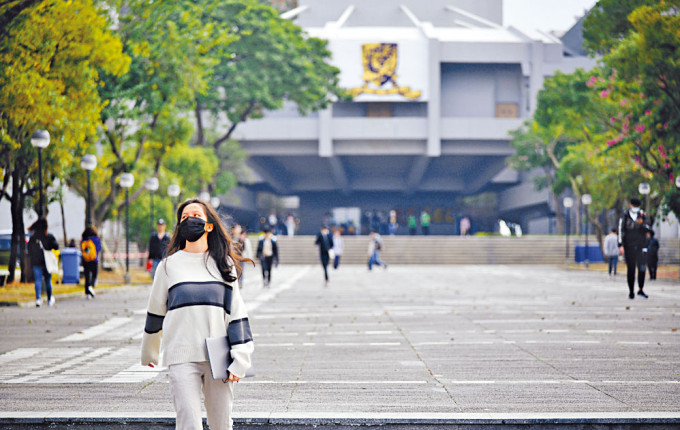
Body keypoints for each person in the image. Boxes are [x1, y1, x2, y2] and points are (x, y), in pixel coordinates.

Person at [141, 199, 254, 430]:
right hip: (180, 355)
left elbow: (237, 313)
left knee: (221, 425)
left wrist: (241, 357)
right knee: (188, 424)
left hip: (219, 356)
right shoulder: (167, 266)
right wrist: (150, 352)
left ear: (209, 225)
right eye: (184, 217)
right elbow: (155, 310)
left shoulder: (224, 264)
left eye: (195, 215)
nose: (189, 220)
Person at [618, 198, 651, 299]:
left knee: (642, 268)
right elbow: (620, 230)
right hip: (629, 246)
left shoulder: (642, 215)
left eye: (638, 206)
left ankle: (640, 289)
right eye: (634, 206)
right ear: (630, 205)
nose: (636, 208)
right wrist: (620, 245)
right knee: (631, 269)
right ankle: (631, 291)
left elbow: (648, 227)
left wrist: (642, 224)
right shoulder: (624, 216)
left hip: (641, 245)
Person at [27, 218, 59, 307]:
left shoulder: (33, 238)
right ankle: (49, 299)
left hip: (36, 262)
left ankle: (38, 299)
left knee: (38, 280)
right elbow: (56, 246)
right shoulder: (49, 236)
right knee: (48, 281)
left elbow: (29, 249)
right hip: (47, 262)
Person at [81, 225, 102, 299]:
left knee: (87, 276)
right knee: (94, 275)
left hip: (85, 260)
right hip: (94, 259)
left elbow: (82, 249)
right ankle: (91, 286)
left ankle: (87, 293)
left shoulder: (84, 240)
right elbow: (99, 248)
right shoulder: (96, 239)